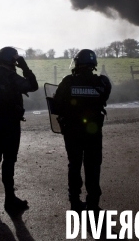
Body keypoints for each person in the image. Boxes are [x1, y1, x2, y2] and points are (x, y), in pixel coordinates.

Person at [53, 49, 111, 212]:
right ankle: (93, 202)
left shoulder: (68, 81)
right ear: (93, 65)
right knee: (93, 165)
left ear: (78, 63)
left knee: (74, 164)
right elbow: (104, 99)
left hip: (72, 131)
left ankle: (74, 200)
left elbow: (56, 106)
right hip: (93, 131)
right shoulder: (102, 82)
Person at [0, 47, 38, 211]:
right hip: (11, 123)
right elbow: (33, 85)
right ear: (12, 61)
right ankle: (9, 199)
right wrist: (25, 66)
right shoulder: (12, 77)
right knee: (9, 160)